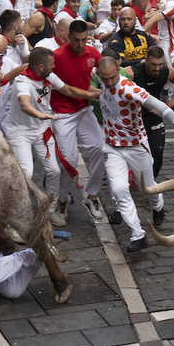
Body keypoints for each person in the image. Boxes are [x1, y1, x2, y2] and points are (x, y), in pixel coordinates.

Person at [97, 57, 174, 253]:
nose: (108, 83)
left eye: (112, 77)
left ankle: (158, 206)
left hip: (136, 146)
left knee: (148, 188)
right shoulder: (100, 79)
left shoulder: (128, 88)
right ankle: (138, 235)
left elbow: (159, 105)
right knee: (118, 190)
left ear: (118, 69)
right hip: (112, 146)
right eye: (104, 78)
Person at [5, 47, 101, 227]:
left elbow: (68, 90)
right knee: (26, 173)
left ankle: (49, 211)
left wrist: (91, 95)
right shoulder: (23, 82)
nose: (55, 65)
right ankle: (14, 220)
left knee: (54, 171)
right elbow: (24, 104)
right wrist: (40, 115)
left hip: (41, 129)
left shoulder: (48, 76)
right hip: (20, 131)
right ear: (41, 67)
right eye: (51, 64)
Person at [125, 45, 174, 225]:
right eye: (153, 64)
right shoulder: (132, 72)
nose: (157, 68)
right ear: (146, 61)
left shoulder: (166, 72)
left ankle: (148, 184)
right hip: (134, 119)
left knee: (157, 153)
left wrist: (167, 106)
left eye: (160, 64)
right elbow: (110, 81)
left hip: (154, 117)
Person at [50, 20, 106, 223]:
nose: (81, 45)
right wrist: (93, 94)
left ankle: (91, 196)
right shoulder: (57, 57)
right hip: (62, 114)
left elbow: (105, 73)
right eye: (76, 40)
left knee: (100, 148)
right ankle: (62, 199)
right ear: (68, 37)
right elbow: (67, 88)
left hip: (83, 110)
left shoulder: (93, 53)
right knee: (69, 162)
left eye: (84, 40)